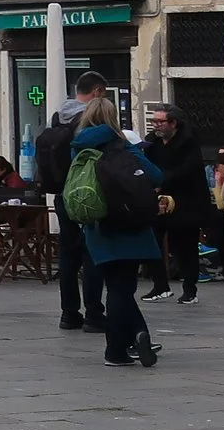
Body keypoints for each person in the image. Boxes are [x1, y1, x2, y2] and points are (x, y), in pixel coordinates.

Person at [70, 94, 168, 367]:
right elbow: (156, 175)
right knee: (122, 289)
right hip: (130, 222)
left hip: (98, 225)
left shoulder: (78, 148)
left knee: (116, 287)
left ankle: (135, 336)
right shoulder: (121, 144)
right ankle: (116, 349)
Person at [34, 75, 106, 334]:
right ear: (97, 91)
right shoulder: (90, 119)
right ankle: (94, 313)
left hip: (62, 193)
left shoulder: (57, 117)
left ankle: (68, 313)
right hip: (86, 194)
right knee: (91, 253)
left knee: (67, 254)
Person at [137, 102, 209, 304]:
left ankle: (190, 289)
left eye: (160, 122)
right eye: (154, 122)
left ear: (173, 123)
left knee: (185, 246)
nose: (156, 125)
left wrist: (161, 180)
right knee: (152, 241)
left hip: (185, 201)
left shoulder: (188, 143)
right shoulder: (152, 143)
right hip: (159, 200)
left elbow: (187, 170)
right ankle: (160, 285)